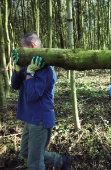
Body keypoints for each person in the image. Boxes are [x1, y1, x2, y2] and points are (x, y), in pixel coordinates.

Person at [11, 32, 72, 170]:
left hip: (40, 120)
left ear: (32, 46)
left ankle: (60, 161)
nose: (21, 51)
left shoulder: (46, 70)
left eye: (22, 48)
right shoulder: (29, 65)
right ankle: (61, 161)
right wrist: (18, 69)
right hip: (30, 117)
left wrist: (30, 73)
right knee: (26, 152)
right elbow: (15, 86)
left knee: (34, 164)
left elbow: (32, 95)